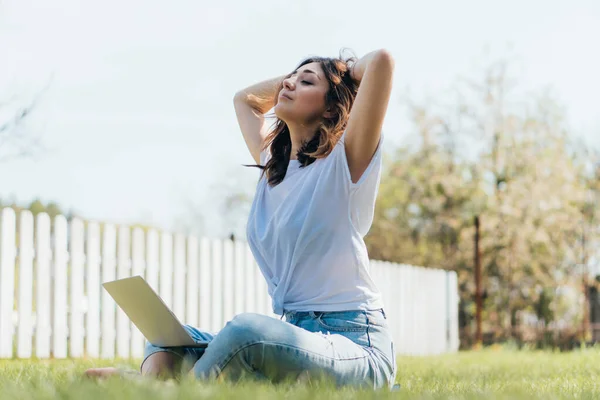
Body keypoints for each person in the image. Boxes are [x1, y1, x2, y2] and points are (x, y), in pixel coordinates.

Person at [85, 48, 396, 390]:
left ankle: (164, 391)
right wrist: (302, 79)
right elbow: (244, 100)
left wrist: (339, 73)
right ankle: (156, 383)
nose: (288, 84)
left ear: (331, 106)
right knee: (168, 339)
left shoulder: (345, 162)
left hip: (355, 345)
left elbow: (381, 61)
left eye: (304, 82)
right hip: (298, 336)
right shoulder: (273, 168)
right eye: (288, 79)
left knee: (246, 331)